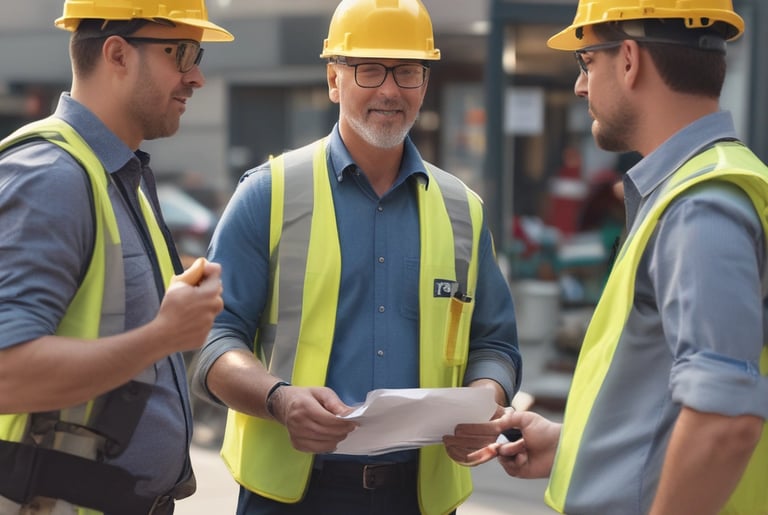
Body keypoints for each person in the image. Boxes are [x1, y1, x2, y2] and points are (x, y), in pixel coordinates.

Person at [190, 0, 522, 514]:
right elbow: (212, 336)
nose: (389, 89)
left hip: (418, 496)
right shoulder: (268, 194)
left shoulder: (463, 210)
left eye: (407, 71)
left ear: (424, 84)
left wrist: (485, 399)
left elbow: (495, 344)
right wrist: (279, 398)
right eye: (369, 69)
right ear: (333, 80)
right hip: (290, 497)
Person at [446, 1, 768, 514]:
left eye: (586, 62)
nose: (579, 86)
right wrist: (575, 444)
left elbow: (724, 422)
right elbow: (668, 402)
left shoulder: (699, 208)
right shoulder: (698, 191)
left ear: (629, 60)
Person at [0, 1, 231, 513]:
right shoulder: (51, 176)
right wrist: (162, 336)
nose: (197, 77)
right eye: (183, 53)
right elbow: (7, 373)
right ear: (118, 54)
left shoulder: (115, 175)